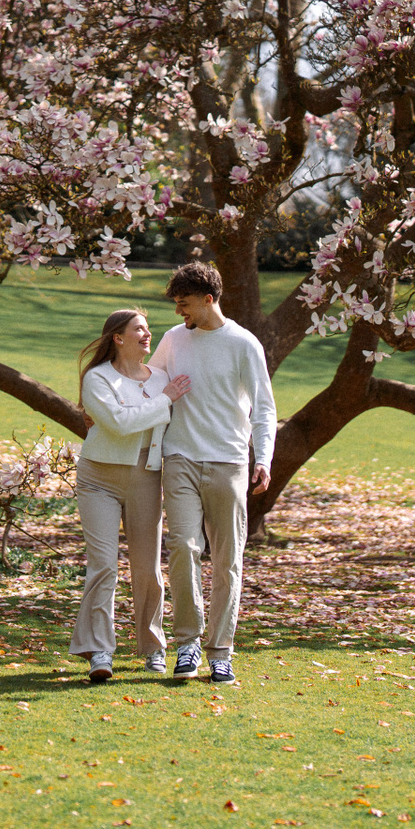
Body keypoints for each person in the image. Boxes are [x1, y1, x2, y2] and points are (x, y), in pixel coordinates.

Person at [149, 262, 276, 684]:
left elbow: (264, 408)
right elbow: (147, 384)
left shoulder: (243, 344)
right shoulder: (173, 339)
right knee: (183, 548)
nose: (178, 312)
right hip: (180, 458)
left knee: (227, 561)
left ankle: (221, 652)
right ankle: (187, 644)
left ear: (208, 299)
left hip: (228, 462)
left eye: (184, 303)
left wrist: (263, 459)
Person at [74, 308, 191, 682]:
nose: (147, 334)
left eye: (148, 328)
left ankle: (154, 648)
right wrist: (164, 400)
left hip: (145, 477)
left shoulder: (161, 378)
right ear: (118, 337)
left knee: (147, 568)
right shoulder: (97, 378)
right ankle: (100, 650)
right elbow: (119, 424)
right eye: (139, 328)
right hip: (98, 478)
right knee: (104, 566)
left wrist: (163, 397)